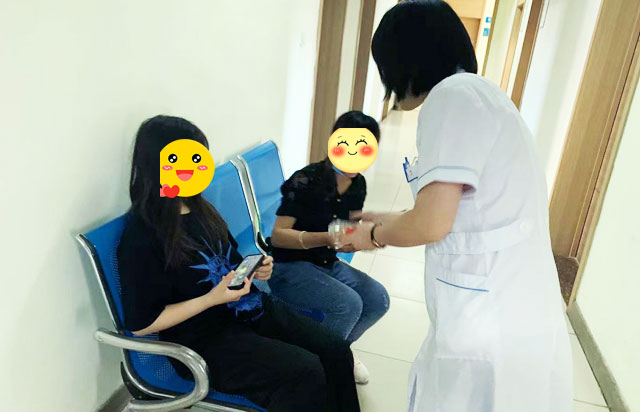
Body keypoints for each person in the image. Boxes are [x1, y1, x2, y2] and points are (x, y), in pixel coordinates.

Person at [344, 2, 573, 411]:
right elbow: (460, 210)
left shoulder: (451, 99)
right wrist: (394, 219)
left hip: (488, 319)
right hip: (507, 306)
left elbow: (432, 223)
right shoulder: (479, 95)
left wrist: (373, 235)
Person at [117, 115, 360, 412]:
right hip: (204, 340)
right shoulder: (142, 235)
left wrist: (257, 269)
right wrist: (211, 299)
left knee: (336, 350)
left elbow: (230, 263)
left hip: (249, 311)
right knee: (304, 373)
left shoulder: (201, 209)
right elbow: (142, 325)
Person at [268, 111, 390, 384]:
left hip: (326, 262)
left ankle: (337, 350)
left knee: (378, 299)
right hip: (288, 266)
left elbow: (350, 227)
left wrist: (368, 236)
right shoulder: (306, 180)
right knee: (348, 304)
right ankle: (316, 368)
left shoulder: (358, 184)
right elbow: (279, 236)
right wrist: (326, 237)